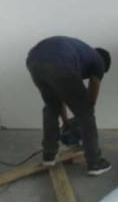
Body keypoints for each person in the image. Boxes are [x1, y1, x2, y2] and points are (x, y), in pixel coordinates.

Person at [26, 36, 112, 176]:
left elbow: (61, 98)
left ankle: (49, 155)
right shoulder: (98, 61)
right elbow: (92, 93)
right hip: (60, 63)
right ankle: (95, 163)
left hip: (34, 60)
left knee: (51, 106)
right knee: (86, 114)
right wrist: (84, 115)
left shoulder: (81, 53)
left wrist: (66, 122)